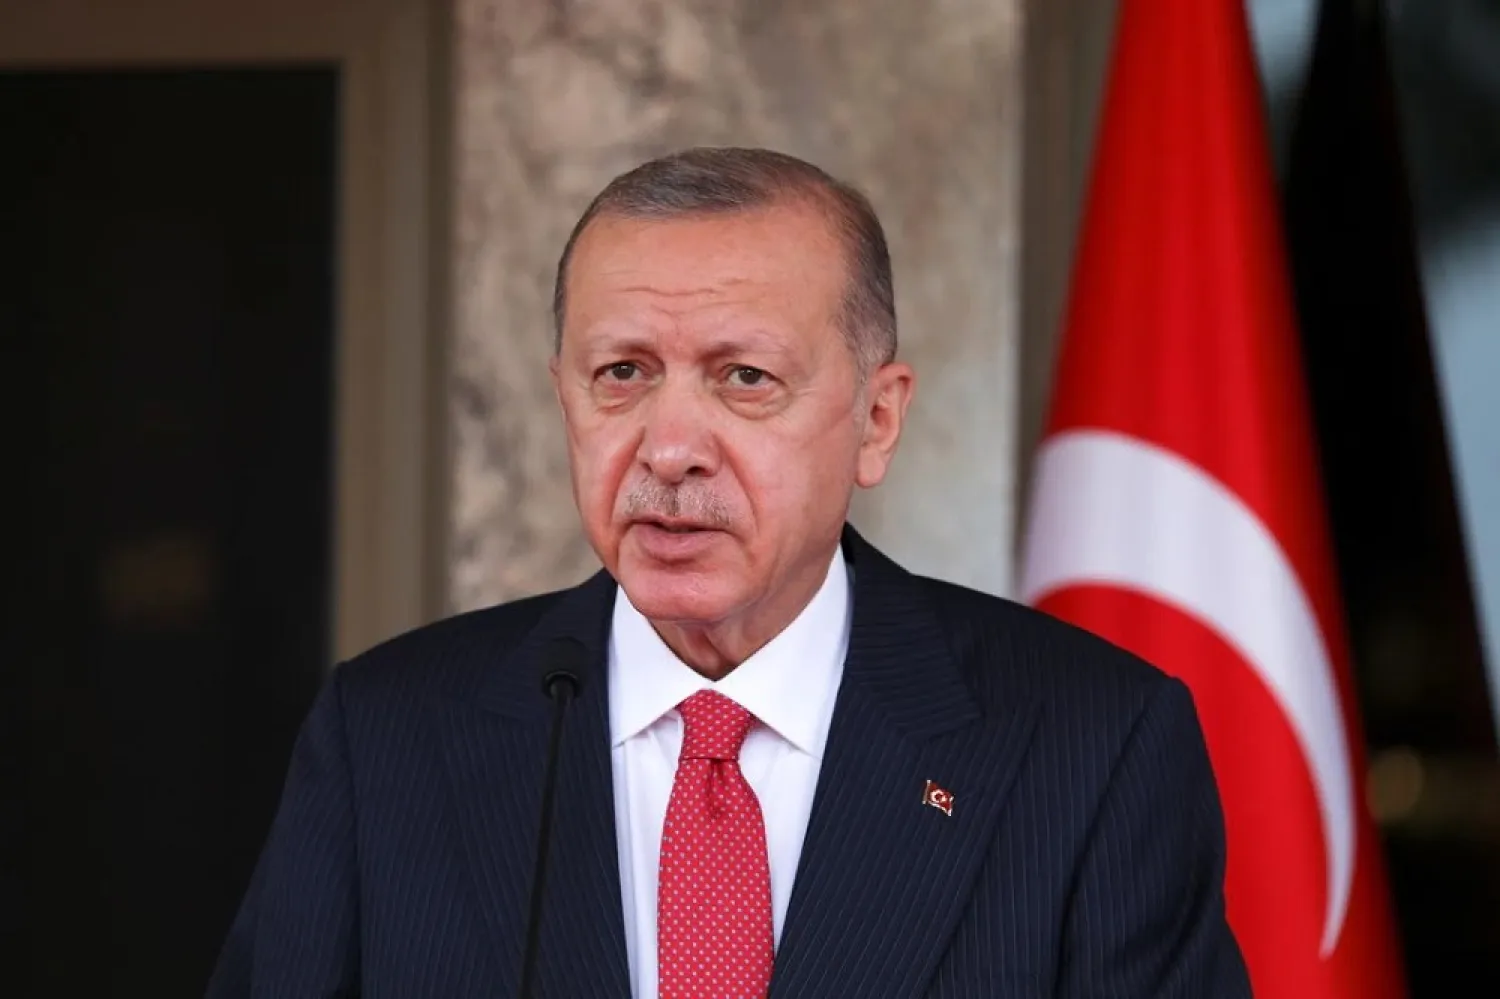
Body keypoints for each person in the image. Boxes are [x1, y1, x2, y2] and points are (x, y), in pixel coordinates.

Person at [206, 147, 1252, 998]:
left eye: (743, 378)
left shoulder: (1089, 744)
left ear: (876, 421)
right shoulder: (387, 736)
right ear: (562, 396)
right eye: (623, 374)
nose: (669, 449)